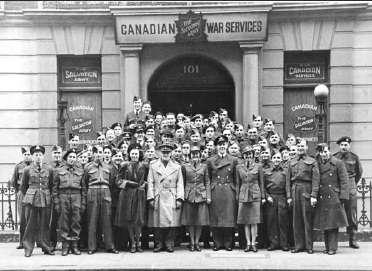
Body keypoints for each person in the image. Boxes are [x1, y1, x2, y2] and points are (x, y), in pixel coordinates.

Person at [147, 144, 184, 253]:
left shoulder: (177, 166)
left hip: (171, 195)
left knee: (171, 221)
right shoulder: (153, 165)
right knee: (158, 221)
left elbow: (180, 183)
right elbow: (150, 182)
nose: (165, 154)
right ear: (159, 153)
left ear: (171, 153)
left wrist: (179, 198)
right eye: (163, 152)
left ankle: (169, 244)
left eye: (168, 152)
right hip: (158, 194)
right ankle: (159, 244)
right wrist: (151, 198)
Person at [314, 143, 349, 255]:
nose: (323, 154)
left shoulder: (338, 163)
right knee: (325, 222)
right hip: (322, 195)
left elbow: (344, 181)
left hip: (334, 196)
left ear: (329, 151)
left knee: (333, 223)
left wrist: (343, 197)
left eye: (325, 152)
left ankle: (332, 248)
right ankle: (327, 246)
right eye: (321, 152)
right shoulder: (318, 163)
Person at [21, 145, 55, 257]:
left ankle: (46, 247)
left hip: (45, 198)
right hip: (31, 199)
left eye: (40, 155)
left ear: (43, 156)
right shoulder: (27, 170)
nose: (38, 157)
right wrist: (31, 194)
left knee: (45, 224)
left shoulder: (49, 169)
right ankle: (28, 248)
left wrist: (47, 194)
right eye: (36, 155)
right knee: (30, 224)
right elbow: (23, 187)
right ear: (32, 156)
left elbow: (51, 185)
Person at [84, 145, 118, 255]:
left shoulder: (109, 167)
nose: (98, 154)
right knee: (92, 220)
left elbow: (112, 182)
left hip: (105, 192)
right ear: (93, 154)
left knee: (107, 220)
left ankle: (110, 245)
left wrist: (107, 193)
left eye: (100, 152)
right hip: (92, 192)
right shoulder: (88, 167)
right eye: (96, 152)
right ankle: (92, 246)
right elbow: (84, 182)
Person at [286, 139, 319, 254]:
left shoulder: (312, 161)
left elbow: (315, 180)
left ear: (306, 147)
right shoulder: (292, 161)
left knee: (307, 219)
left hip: (307, 189)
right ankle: (298, 245)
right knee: (296, 220)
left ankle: (309, 246)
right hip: (295, 189)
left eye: (302, 146)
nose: (300, 148)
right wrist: (289, 196)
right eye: (298, 146)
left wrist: (314, 195)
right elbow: (288, 181)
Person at [52, 148, 87, 256]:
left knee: (76, 221)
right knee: (64, 221)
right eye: (70, 157)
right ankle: (65, 246)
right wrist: (56, 202)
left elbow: (84, 189)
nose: (72, 159)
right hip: (63, 196)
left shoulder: (80, 170)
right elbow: (54, 188)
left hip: (76, 196)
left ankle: (74, 245)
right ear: (66, 158)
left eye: (74, 157)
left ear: (76, 159)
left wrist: (83, 203)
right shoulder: (58, 170)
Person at [207, 135, 238, 251]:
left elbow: (236, 178)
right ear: (216, 146)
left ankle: (228, 242)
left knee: (229, 217)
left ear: (227, 145)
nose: (222, 147)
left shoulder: (233, 160)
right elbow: (208, 179)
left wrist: (236, 192)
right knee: (216, 217)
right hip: (216, 189)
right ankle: (217, 242)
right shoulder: (210, 160)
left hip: (229, 189)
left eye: (223, 144)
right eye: (219, 145)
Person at [115, 144, 148, 253]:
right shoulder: (124, 165)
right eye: (132, 154)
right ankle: (132, 243)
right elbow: (118, 180)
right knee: (129, 220)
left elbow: (149, 180)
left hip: (139, 194)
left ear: (139, 155)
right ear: (129, 154)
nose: (134, 156)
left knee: (138, 220)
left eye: (136, 154)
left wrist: (145, 185)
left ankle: (138, 243)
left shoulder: (144, 166)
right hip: (127, 195)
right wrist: (127, 182)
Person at [333, 136, 363, 249]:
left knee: (351, 213)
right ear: (339, 146)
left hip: (350, 185)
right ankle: (333, 240)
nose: (343, 147)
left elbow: (358, 173)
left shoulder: (354, 157)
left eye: (346, 145)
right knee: (335, 212)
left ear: (349, 146)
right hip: (337, 185)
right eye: (342, 145)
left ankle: (352, 238)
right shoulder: (335, 157)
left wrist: (352, 184)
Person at [181, 146, 211, 252]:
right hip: (189, 195)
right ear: (190, 155)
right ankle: (192, 242)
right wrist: (182, 195)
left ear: (199, 155)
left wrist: (208, 196)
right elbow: (183, 182)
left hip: (201, 195)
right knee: (190, 221)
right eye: (193, 154)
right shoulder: (185, 166)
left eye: (197, 154)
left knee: (199, 221)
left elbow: (207, 181)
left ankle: (197, 242)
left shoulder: (204, 166)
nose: (195, 156)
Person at [236, 145, 265, 253]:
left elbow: (261, 183)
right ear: (243, 156)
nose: (248, 156)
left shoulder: (258, 166)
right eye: (246, 154)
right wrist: (237, 197)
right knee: (246, 221)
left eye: (250, 154)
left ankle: (254, 243)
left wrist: (262, 197)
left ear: (253, 155)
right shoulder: (239, 167)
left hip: (255, 195)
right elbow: (238, 184)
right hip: (243, 195)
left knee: (254, 221)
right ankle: (248, 243)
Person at [264, 152, 290, 251]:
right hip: (271, 198)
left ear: (281, 159)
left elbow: (288, 185)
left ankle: (284, 243)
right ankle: (273, 243)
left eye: (278, 158)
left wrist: (288, 197)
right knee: (271, 221)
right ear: (271, 159)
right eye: (274, 157)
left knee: (282, 221)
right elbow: (263, 186)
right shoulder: (266, 171)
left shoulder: (286, 171)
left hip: (282, 197)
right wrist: (267, 196)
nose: (276, 160)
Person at [10, 147, 32, 250]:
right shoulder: (18, 166)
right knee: (23, 219)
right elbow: (13, 181)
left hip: (33, 193)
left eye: (29, 154)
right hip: (22, 193)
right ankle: (22, 242)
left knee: (33, 217)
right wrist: (19, 190)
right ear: (23, 156)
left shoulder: (34, 165)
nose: (27, 156)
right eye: (25, 155)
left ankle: (35, 241)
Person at [46, 145, 65, 251]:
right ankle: (52, 242)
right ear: (52, 155)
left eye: (59, 153)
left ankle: (65, 242)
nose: (57, 155)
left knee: (64, 220)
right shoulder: (48, 167)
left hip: (63, 196)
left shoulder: (65, 166)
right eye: (55, 153)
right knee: (52, 221)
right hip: (51, 196)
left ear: (61, 154)